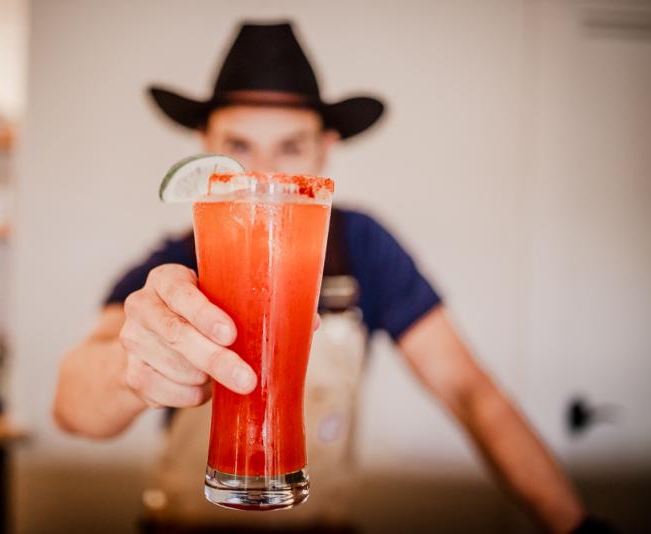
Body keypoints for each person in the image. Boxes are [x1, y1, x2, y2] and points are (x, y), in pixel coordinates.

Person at [54, 22, 599, 533]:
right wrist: (130, 370)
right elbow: (72, 405)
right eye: (240, 147)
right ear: (206, 148)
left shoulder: (363, 245)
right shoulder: (173, 261)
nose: (265, 174)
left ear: (325, 150)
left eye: (290, 147)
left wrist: (577, 527)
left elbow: (470, 392)